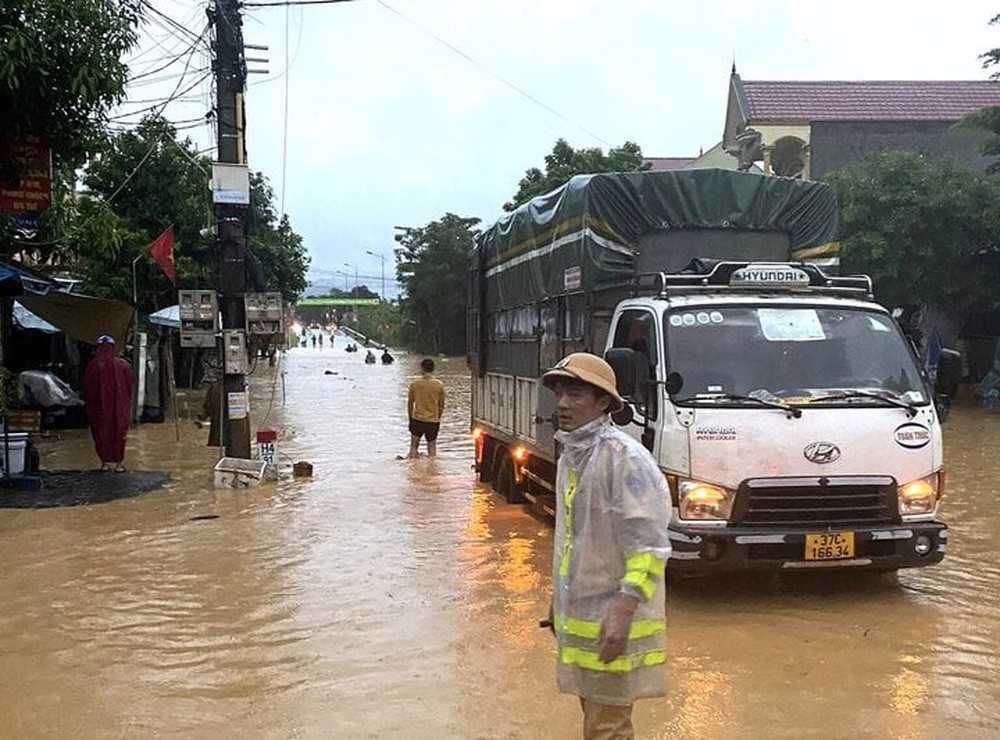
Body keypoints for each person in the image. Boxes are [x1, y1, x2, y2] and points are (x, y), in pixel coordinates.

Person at [541, 352, 671, 739]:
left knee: (608, 729)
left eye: (576, 394)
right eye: (560, 392)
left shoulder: (624, 459)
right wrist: (557, 599)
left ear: (603, 404)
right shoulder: (574, 455)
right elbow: (573, 538)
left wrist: (624, 609)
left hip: (615, 620)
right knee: (598, 724)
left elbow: (649, 546)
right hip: (584, 620)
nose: (562, 403)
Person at [82, 334, 134, 472]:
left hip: (99, 409)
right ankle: (118, 464)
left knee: (101, 433)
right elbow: (130, 386)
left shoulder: (92, 366)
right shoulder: (123, 365)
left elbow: (87, 389)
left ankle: (104, 463)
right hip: (120, 408)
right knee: (119, 432)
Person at [406, 358, 445, 458]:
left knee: (414, 446)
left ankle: (413, 468)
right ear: (433, 369)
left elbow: (410, 404)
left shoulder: (414, 385)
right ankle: (432, 469)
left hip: (418, 419)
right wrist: (437, 418)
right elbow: (441, 405)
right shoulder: (439, 385)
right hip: (433, 420)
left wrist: (410, 419)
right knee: (432, 448)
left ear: (422, 368)